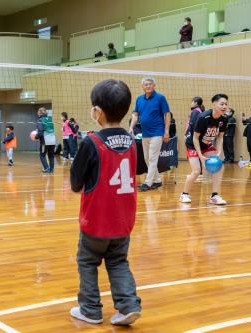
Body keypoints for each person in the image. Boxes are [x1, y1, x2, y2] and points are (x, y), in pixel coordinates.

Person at [70, 79, 141, 326]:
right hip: (123, 221)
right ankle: (129, 306)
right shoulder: (133, 141)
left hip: (96, 221)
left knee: (87, 262)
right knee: (118, 261)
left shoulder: (91, 142)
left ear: (97, 112)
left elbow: (76, 184)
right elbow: (137, 170)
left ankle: (90, 309)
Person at [180, 94, 229, 205]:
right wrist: (200, 156)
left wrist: (219, 151)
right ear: (214, 104)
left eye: (226, 104)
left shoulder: (224, 119)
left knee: (218, 167)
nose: (224, 106)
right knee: (197, 171)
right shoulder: (203, 117)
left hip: (206, 145)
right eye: (222, 104)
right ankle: (184, 194)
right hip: (193, 144)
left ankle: (214, 196)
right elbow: (195, 138)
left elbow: (220, 137)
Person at [129, 78, 170, 191]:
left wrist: (166, 132)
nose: (148, 86)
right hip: (145, 133)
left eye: (150, 84)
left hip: (157, 132)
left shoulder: (160, 98)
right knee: (147, 158)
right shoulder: (139, 99)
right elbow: (135, 115)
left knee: (152, 158)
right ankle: (157, 180)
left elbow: (167, 115)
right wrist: (131, 127)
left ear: (154, 86)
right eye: (145, 85)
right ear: (142, 86)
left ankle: (148, 183)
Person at [36, 107, 56, 173]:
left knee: (42, 155)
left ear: (39, 113)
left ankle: (46, 168)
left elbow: (40, 132)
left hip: (45, 141)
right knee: (51, 155)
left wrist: (36, 136)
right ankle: (51, 169)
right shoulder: (50, 119)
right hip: (53, 140)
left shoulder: (40, 120)